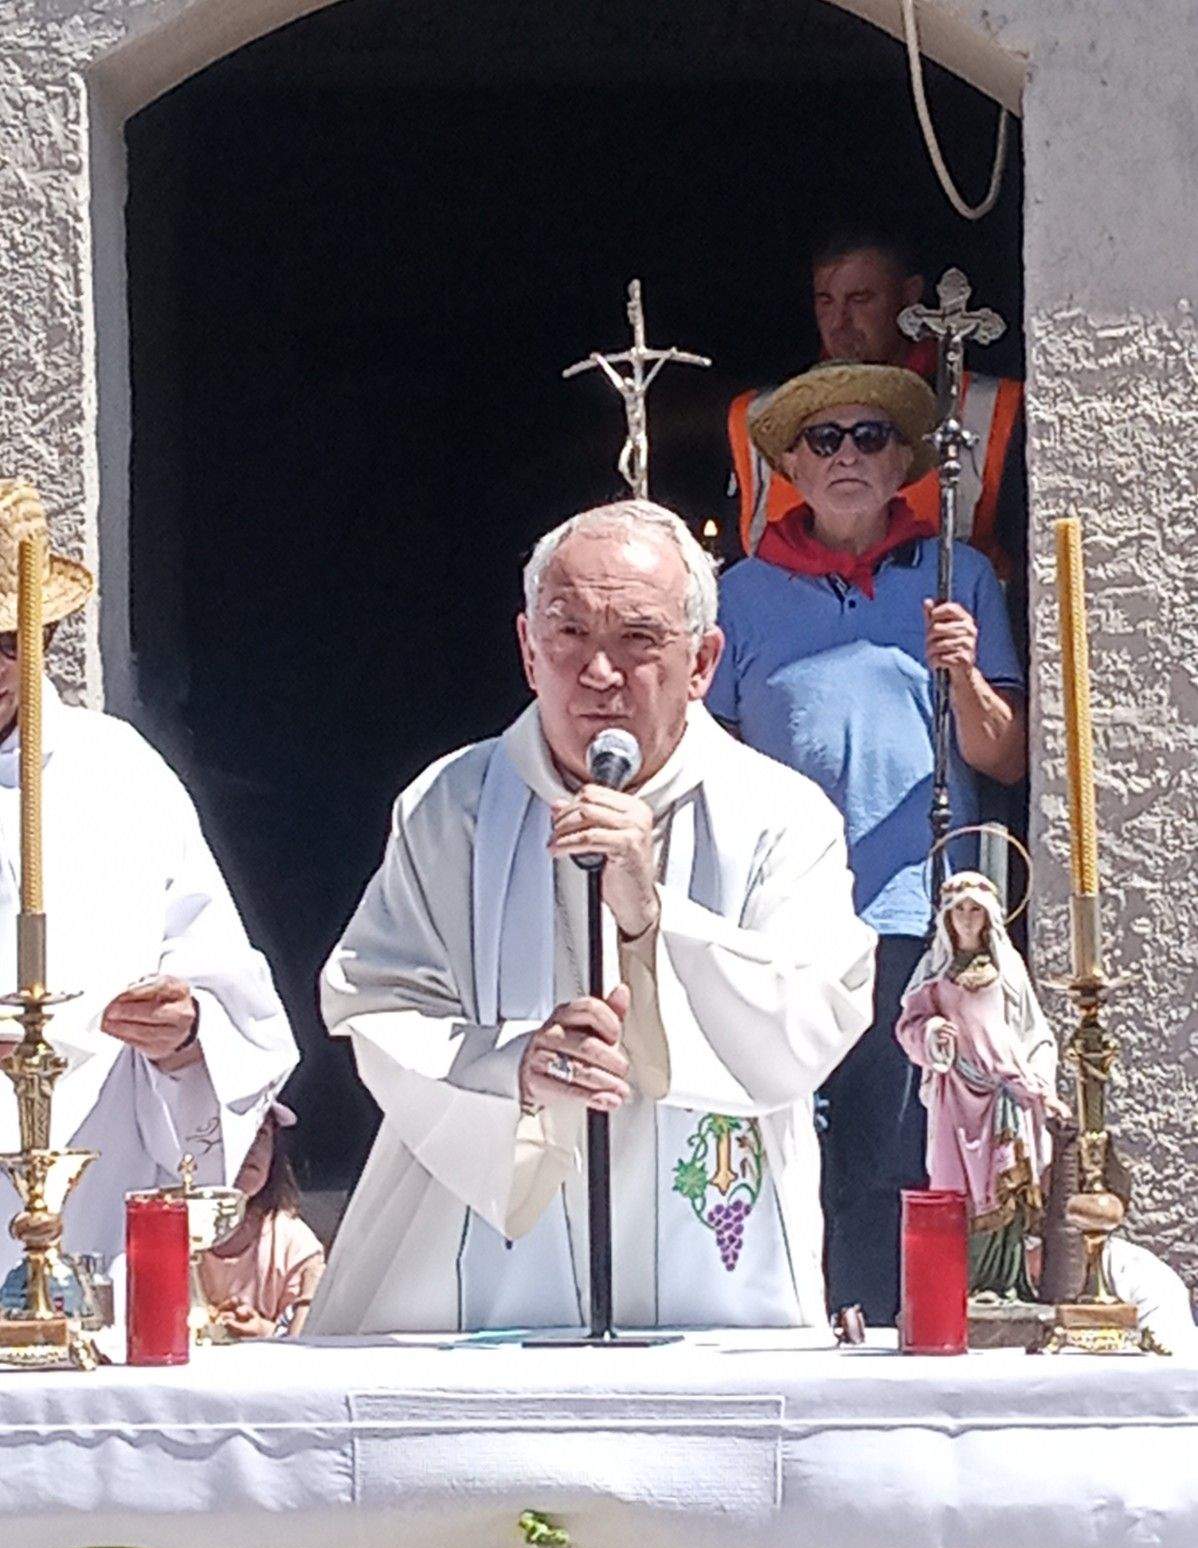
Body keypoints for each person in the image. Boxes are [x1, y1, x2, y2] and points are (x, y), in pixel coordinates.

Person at [306, 500, 876, 1336]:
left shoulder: (780, 816)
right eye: (569, 633)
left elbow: (815, 1019)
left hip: (713, 1285)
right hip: (478, 1266)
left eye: (639, 639)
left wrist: (653, 918)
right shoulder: (451, 807)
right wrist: (512, 1066)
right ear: (528, 650)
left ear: (703, 662)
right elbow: (375, 1002)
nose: (599, 673)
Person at [707, 361, 1026, 1323]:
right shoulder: (740, 595)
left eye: (871, 437)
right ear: (794, 466)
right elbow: (707, 760)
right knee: (781, 1137)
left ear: (902, 466)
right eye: (825, 439)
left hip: (912, 913)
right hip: (779, 918)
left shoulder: (957, 578)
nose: (847, 455)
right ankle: (786, 1328)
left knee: (896, 1149)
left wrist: (965, 675)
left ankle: (883, 1336)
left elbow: (1005, 758)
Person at [0, 480, 297, 1275]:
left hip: (89, 1200)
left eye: (10, 641)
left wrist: (187, 1034)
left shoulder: (119, 775)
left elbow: (229, 1001)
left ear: (45, 636)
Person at [726, 222, 1024, 581]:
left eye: (861, 299)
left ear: (909, 296)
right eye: (826, 301)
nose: (839, 322)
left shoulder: (989, 409)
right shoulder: (756, 416)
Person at [895, 872, 1070, 1299]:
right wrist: (932, 1032)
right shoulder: (933, 971)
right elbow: (909, 1025)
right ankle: (963, 1287)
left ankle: (1005, 1284)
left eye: (976, 910)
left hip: (1004, 1094)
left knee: (1006, 1186)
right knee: (957, 1188)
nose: (968, 919)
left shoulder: (1008, 968)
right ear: (947, 918)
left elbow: (1033, 1032)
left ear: (989, 916)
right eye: (960, 910)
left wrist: (1040, 1085)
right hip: (956, 1093)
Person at [201, 1102, 325, 1338]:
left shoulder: (296, 1245)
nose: (251, 1146)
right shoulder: (163, 1231)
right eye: (235, 1131)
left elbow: (304, 1342)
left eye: (261, 1133)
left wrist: (264, 1331)